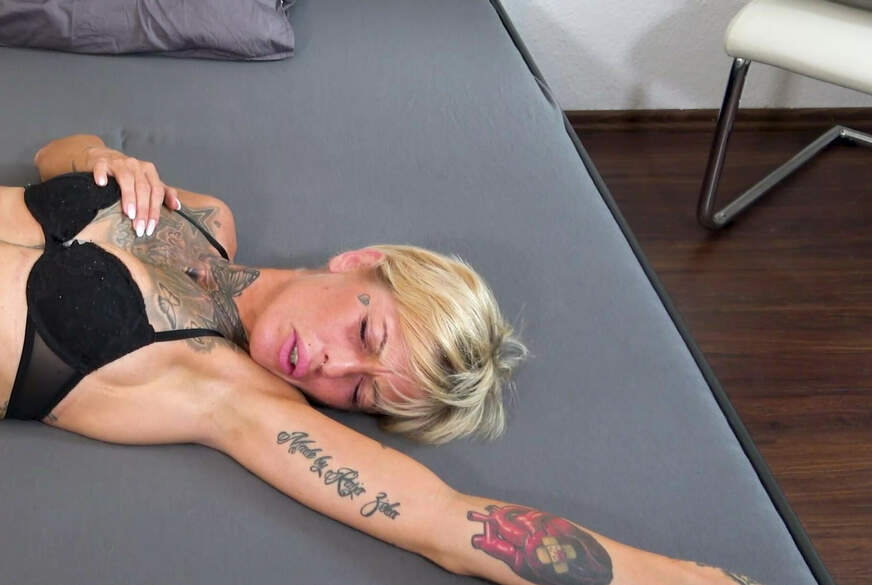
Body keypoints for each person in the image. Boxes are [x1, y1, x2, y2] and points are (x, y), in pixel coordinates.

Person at [0, 134, 762, 585]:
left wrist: (689, 580)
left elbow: (445, 520)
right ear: (359, 262)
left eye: (362, 394)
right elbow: (54, 155)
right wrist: (103, 155)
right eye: (368, 335)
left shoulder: (233, 396)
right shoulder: (206, 219)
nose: (331, 368)